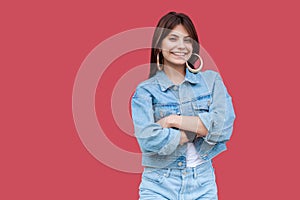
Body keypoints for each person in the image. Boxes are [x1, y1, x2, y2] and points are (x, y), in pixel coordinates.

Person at [131, 12, 236, 200]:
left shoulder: (211, 81)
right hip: (159, 184)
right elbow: (148, 140)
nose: (181, 46)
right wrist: (200, 129)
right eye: (173, 38)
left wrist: (173, 121)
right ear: (159, 44)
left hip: (202, 183)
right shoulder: (145, 91)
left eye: (187, 40)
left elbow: (223, 128)